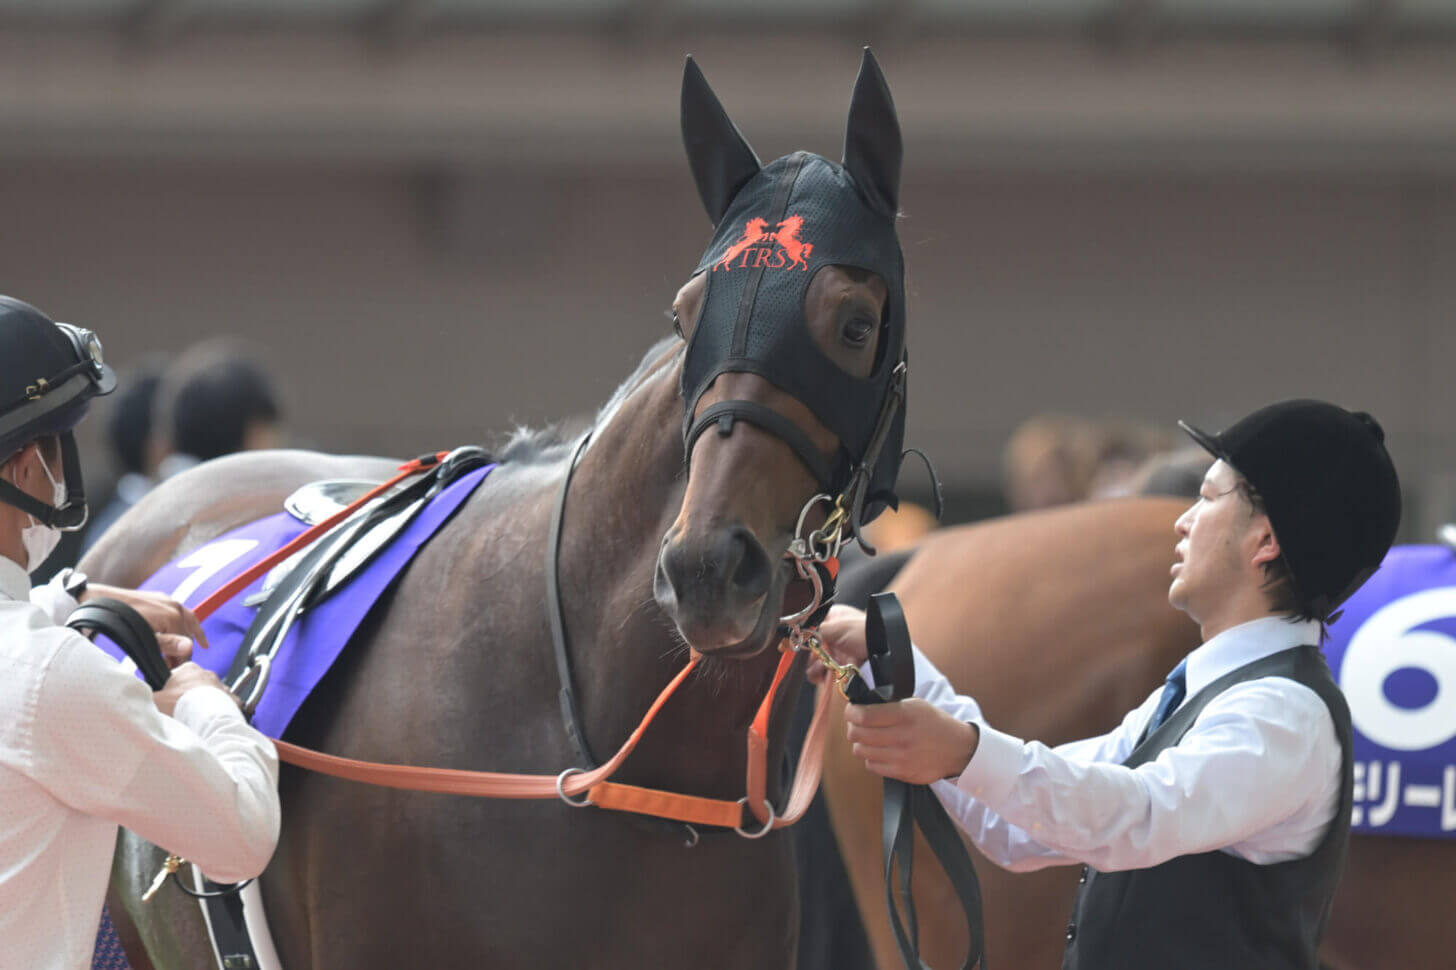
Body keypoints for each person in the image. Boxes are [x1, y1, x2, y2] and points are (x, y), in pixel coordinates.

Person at [815, 399, 1401, 970]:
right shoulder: (1209, 692)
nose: (1182, 519)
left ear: (1265, 541)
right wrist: (897, 665)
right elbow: (1018, 826)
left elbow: (1135, 813)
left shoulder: (1283, 713)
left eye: (1207, 498)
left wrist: (962, 749)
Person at [0, 296, 280, 970]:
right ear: (21, 464)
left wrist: (67, 599)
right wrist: (201, 697)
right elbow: (241, 837)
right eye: (59, 441)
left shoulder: (39, 655)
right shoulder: (50, 678)